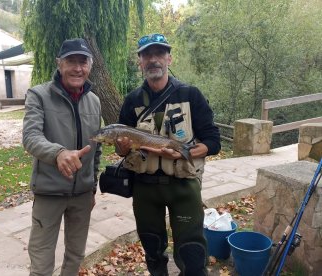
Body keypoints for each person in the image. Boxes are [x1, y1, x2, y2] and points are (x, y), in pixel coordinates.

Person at [116, 33, 221, 276]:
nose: (153, 60)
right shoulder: (131, 101)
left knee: (192, 252)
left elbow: (213, 141)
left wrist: (182, 154)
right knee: (152, 248)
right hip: (145, 188)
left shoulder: (190, 95)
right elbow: (122, 149)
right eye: (147, 55)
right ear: (140, 62)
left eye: (159, 54)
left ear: (169, 59)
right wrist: (121, 147)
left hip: (183, 185)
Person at [22, 38, 102, 276]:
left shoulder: (95, 101)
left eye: (83, 62)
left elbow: (96, 149)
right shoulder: (38, 95)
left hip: (82, 195)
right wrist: (58, 153)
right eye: (71, 61)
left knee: (76, 256)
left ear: (90, 65)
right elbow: (31, 137)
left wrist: (92, 187)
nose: (78, 68)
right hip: (49, 191)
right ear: (59, 64)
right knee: (41, 261)